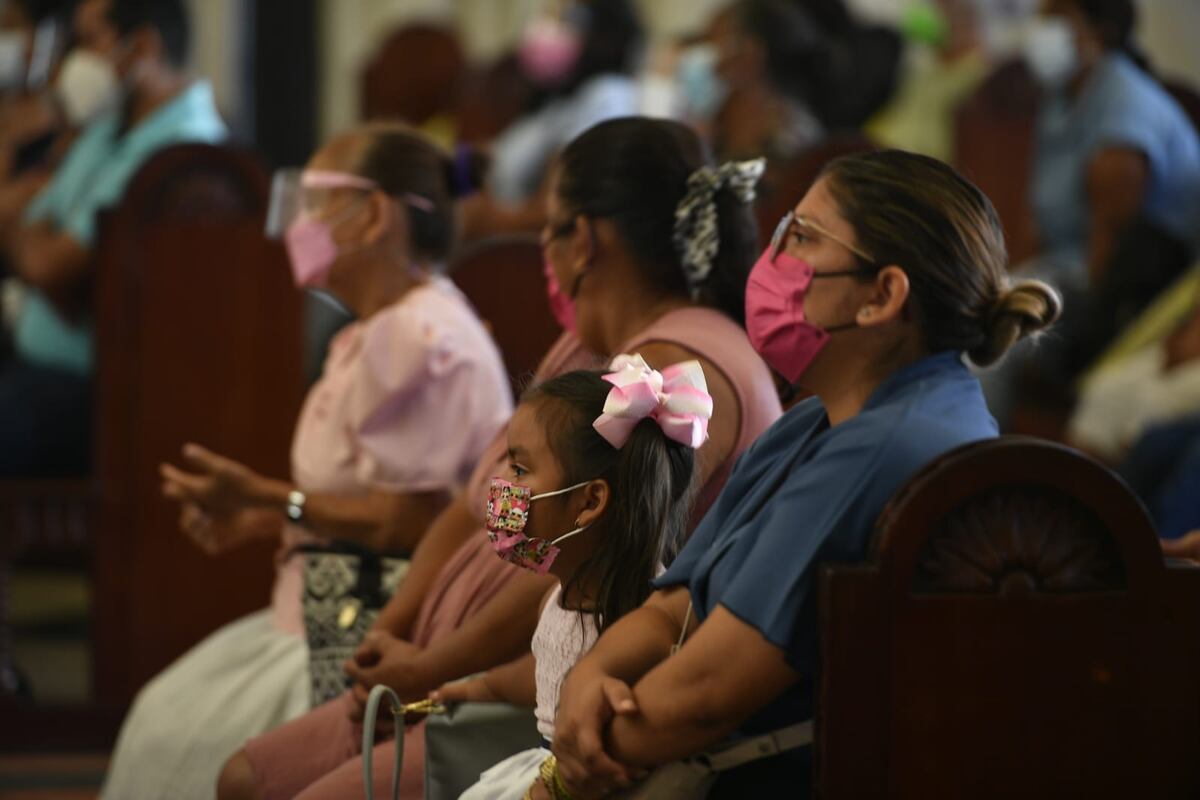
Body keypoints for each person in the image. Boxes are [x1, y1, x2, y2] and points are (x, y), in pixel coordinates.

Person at [217, 116, 783, 800]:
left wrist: (431, 664)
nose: (541, 247)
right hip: (447, 670)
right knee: (246, 778)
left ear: (585, 239)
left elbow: (569, 551)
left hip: (528, 709)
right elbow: (474, 503)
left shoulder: (672, 369)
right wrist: (395, 626)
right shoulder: (585, 346)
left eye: (548, 226)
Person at [549, 150, 1060, 797]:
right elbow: (672, 605)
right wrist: (590, 675)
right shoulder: (816, 419)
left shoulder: (888, 448)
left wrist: (573, 755)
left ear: (881, 295)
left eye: (803, 238)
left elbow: (703, 698)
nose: (774, 256)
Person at [99, 123, 512, 800]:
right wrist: (266, 523)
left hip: (361, 625)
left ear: (375, 214)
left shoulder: (414, 336)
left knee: (178, 739)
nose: (302, 224)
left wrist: (272, 499)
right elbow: (366, 499)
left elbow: (413, 522)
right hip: (315, 604)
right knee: (161, 717)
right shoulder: (378, 329)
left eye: (318, 203)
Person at [432, 359, 707, 799]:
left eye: (519, 470)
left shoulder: (644, 617)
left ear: (589, 501)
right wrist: (477, 688)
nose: (500, 483)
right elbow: (550, 672)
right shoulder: (561, 595)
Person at [0, 0, 226, 476]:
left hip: (94, 395)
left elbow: (50, 264)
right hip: (34, 367)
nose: (71, 63)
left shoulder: (180, 154)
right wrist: (36, 241)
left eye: (86, 43)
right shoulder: (107, 127)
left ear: (141, 47)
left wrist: (37, 242)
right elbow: (19, 214)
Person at [460, 0, 642, 240]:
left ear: (602, 28)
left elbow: (556, 210)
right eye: (547, 16)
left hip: (519, 254)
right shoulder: (556, 95)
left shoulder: (607, 95)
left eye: (561, 19)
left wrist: (471, 220)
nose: (544, 29)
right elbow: (482, 158)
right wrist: (456, 182)